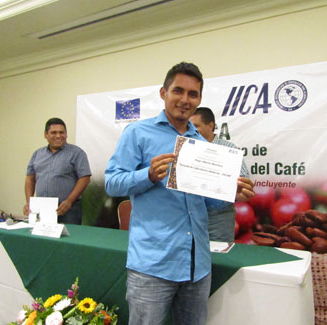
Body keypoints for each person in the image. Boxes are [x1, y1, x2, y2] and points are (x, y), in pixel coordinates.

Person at [105, 62, 252, 325]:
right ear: (163, 93)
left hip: (198, 265)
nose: (185, 100)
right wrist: (147, 175)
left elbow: (206, 202)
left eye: (192, 94)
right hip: (153, 264)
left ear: (199, 99)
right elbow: (112, 183)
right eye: (178, 91)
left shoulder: (200, 143)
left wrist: (231, 194)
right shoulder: (138, 133)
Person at [190, 107, 254, 242]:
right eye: (189, 126)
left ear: (210, 126)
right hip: (190, 216)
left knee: (218, 258)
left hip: (218, 218)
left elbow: (243, 181)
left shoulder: (229, 150)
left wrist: (238, 190)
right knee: (191, 257)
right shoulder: (187, 149)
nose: (192, 130)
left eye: (196, 125)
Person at [23, 118, 91, 225]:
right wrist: (29, 202)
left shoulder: (76, 153)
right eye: (53, 132)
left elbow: (85, 178)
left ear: (66, 134)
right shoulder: (37, 154)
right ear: (46, 134)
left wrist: (69, 201)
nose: (58, 136)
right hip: (42, 208)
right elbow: (30, 179)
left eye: (62, 132)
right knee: (43, 240)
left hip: (68, 209)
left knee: (68, 240)